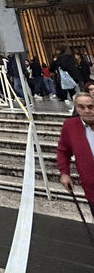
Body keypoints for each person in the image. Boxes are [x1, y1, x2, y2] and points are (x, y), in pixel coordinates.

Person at [57, 92, 94, 220]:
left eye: (91, 106)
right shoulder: (70, 126)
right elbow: (63, 151)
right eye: (81, 107)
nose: (87, 111)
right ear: (76, 108)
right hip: (91, 184)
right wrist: (64, 173)